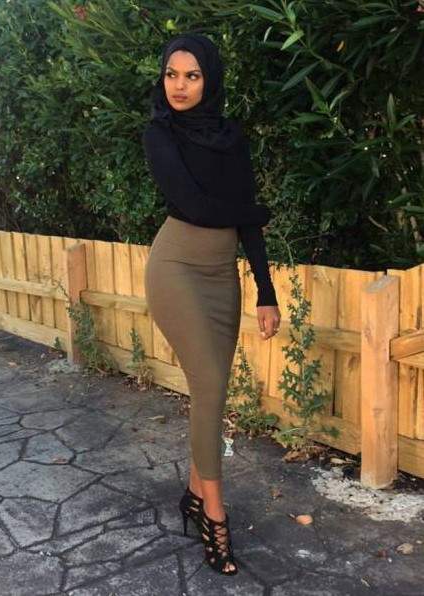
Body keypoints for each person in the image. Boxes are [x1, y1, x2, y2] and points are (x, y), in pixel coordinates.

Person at [142, 32, 281, 576]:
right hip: (176, 266)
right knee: (209, 384)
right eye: (171, 74)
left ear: (210, 80)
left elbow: (246, 219)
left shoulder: (231, 136)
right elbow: (196, 205)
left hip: (223, 275)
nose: (179, 86)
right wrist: (253, 210)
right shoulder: (159, 133)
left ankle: (195, 493)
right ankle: (215, 518)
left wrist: (266, 292)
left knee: (213, 389)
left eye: (192, 75)